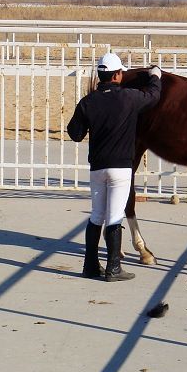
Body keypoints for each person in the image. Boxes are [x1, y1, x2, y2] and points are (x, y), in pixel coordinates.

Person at [67, 53, 162, 282]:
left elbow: (75, 134)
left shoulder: (87, 102)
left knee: (96, 215)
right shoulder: (129, 98)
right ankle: (113, 268)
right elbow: (153, 96)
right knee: (114, 216)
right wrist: (155, 75)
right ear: (118, 75)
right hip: (120, 168)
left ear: (100, 76)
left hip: (97, 167)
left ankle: (90, 265)